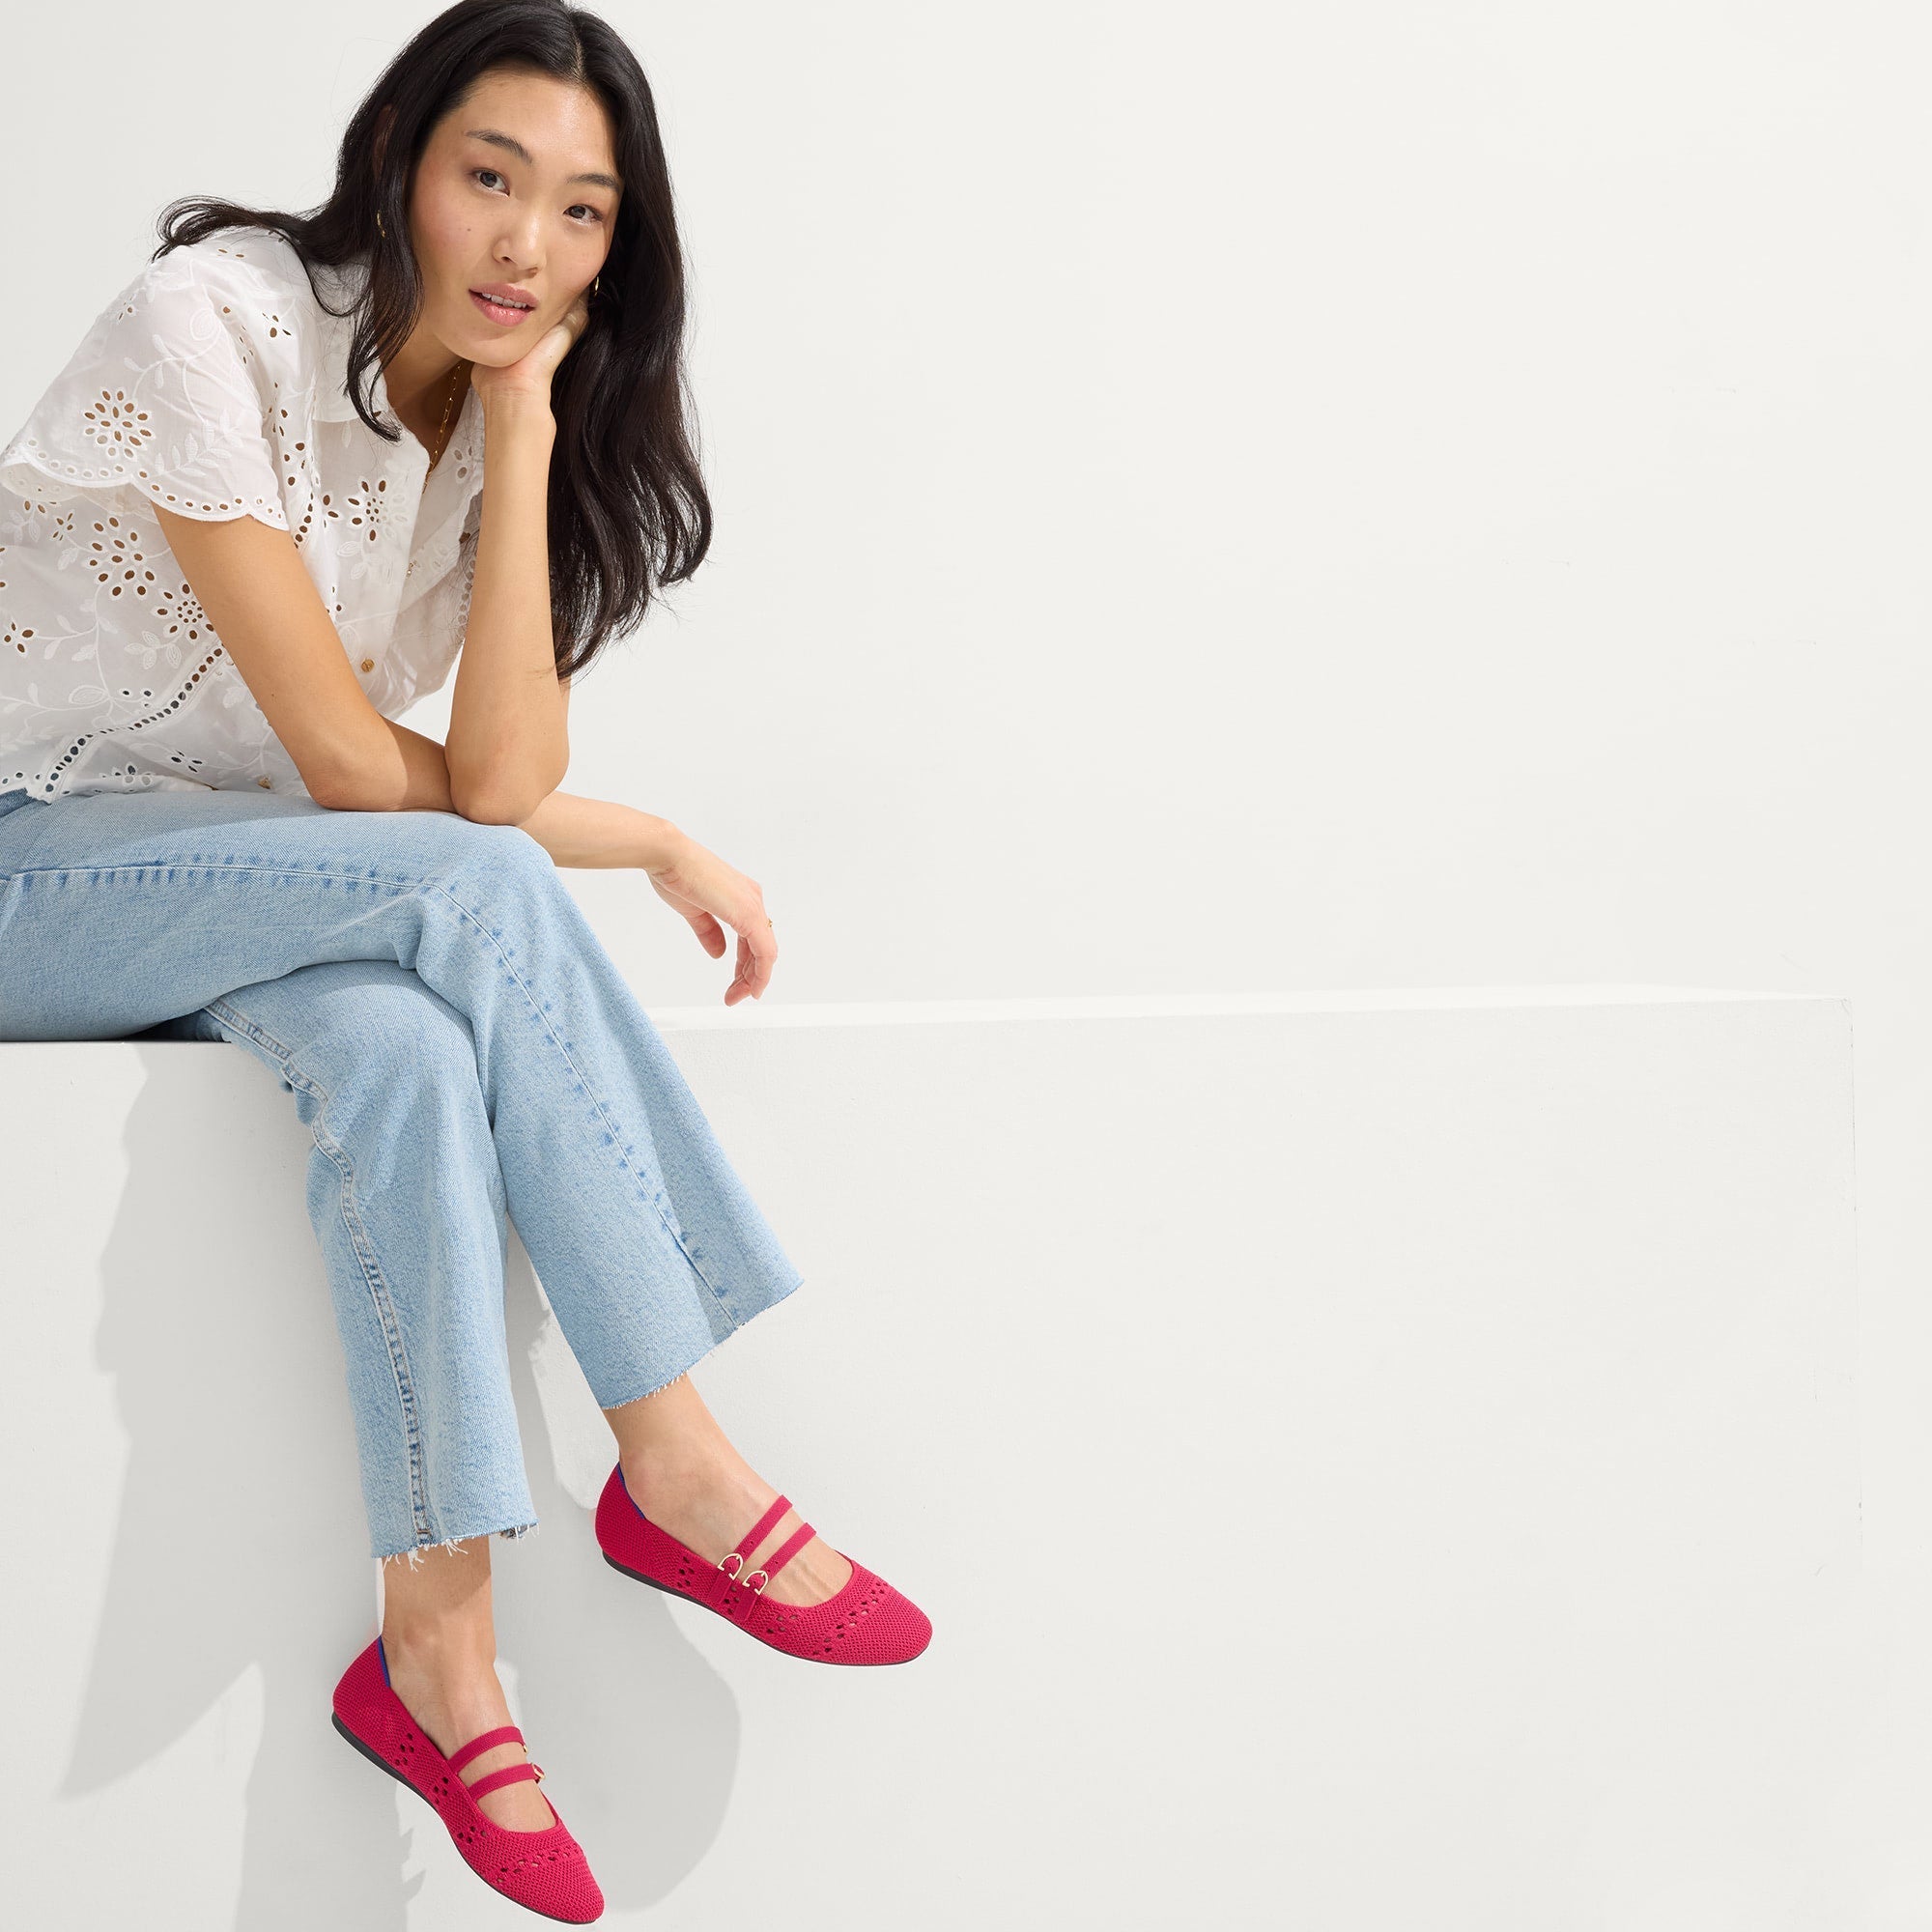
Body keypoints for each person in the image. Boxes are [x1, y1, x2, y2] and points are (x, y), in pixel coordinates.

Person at [0, 3, 928, 1918]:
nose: (524, 243)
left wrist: (517, 437)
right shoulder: (217, 328)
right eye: (490, 177)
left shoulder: (485, 414)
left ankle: (435, 1647)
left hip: (215, 881)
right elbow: (360, 776)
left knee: (413, 1052)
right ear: (404, 155)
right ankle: (671, 1454)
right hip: (24, 856)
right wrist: (629, 837)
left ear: (618, 251)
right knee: (470, 913)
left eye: (581, 212)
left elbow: (483, 788)